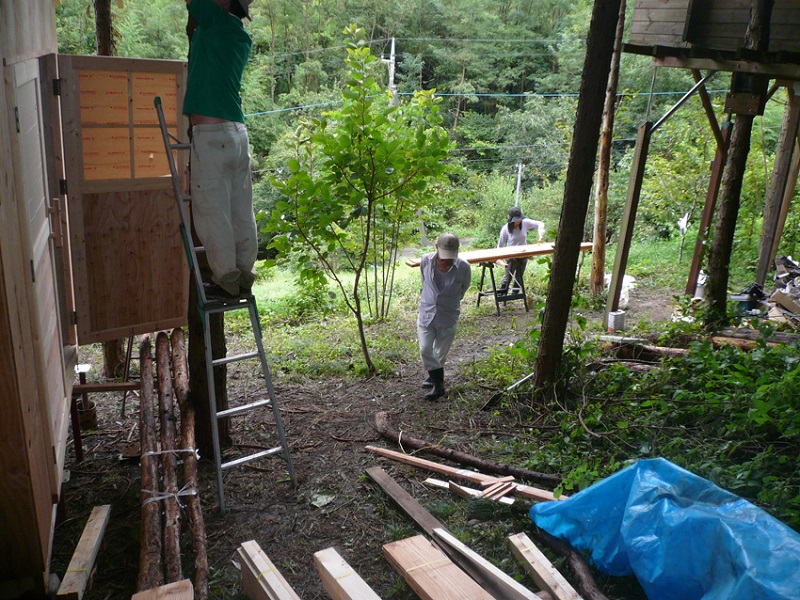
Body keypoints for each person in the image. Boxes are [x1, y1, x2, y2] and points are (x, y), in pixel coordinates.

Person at [183, 0, 257, 301]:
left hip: (212, 136)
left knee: (213, 210)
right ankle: (243, 273)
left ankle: (226, 278)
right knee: (241, 209)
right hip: (237, 135)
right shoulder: (240, 34)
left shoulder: (214, 19)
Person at [417, 233, 472, 400]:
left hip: (448, 316)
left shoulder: (464, 267)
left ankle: (434, 378)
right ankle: (439, 385)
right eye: (443, 257)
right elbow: (424, 282)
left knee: (440, 354)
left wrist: (449, 301)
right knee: (425, 349)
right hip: (427, 313)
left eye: (450, 257)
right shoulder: (426, 261)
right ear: (436, 249)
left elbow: (464, 289)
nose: (446, 261)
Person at [497, 206, 544, 295]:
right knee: (507, 277)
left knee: (519, 277)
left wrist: (541, 231)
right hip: (511, 256)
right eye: (516, 220)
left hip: (523, 255)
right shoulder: (506, 228)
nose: (518, 222)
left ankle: (515, 293)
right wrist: (499, 259)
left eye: (519, 219)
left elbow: (539, 223)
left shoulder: (525, 223)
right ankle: (501, 293)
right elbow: (500, 245)